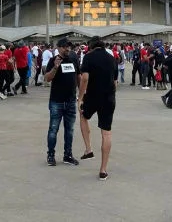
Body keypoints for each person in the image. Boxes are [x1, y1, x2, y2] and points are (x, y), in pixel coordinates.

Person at [78, 37, 118, 181]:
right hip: (108, 97)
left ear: (90, 46)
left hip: (93, 96)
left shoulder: (88, 58)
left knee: (83, 115)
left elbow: (84, 79)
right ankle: (103, 170)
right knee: (106, 133)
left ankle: (88, 149)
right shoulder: (111, 58)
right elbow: (115, 82)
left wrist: (80, 97)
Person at [44, 37, 80, 166]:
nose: (67, 48)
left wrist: (81, 95)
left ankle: (68, 155)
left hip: (70, 101)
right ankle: (51, 155)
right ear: (58, 48)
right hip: (56, 102)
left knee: (69, 130)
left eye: (69, 46)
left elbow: (78, 77)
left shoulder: (73, 59)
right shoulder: (53, 61)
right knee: (53, 130)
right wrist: (55, 67)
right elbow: (47, 79)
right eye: (65, 46)